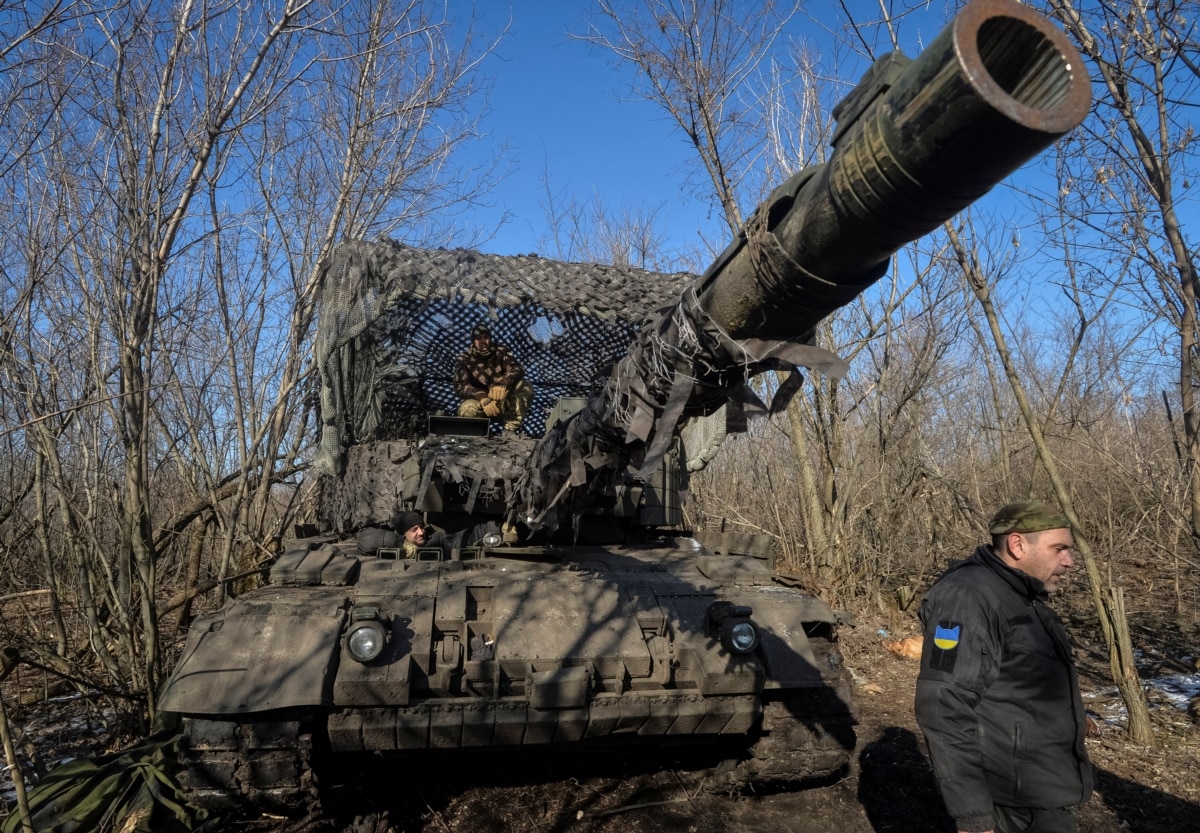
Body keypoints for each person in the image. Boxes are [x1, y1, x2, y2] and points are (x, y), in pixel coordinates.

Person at [915, 501, 1093, 833]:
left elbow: (1016, 679)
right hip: (1009, 805)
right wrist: (973, 816)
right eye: (1060, 549)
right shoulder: (968, 597)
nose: (1069, 561)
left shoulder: (1020, 595)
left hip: (1038, 793)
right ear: (1016, 544)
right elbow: (943, 704)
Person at [454, 323, 533, 431]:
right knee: (467, 409)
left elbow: (518, 369)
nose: (483, 341)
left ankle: (510, 431)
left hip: (504, 402)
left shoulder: (501, 351)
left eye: (486, 337)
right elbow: (461, 386)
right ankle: (476, 435)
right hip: (480, 403)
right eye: (479, 338)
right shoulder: (464, 359)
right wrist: (481, 397)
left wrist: (502, 382)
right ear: (473, 341)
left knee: (524, 385)